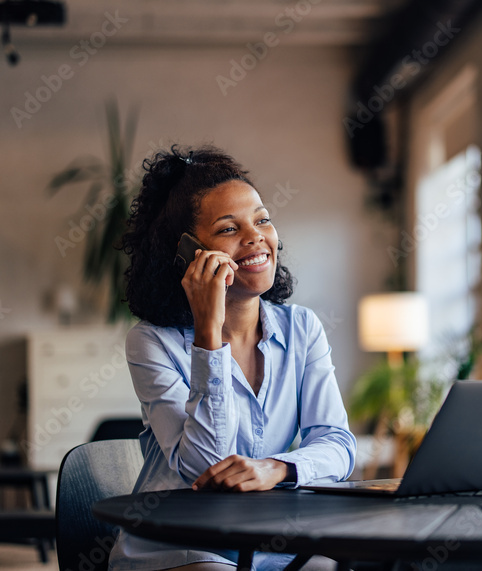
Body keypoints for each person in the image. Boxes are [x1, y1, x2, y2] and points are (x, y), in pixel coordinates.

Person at [108, 145, 356, 571]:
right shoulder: (152, 343)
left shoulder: (302, 328)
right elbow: (203, 466)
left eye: (262, 219)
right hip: (178, 548)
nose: (256, 236)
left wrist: (277, 467)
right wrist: (208, 335)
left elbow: (338, 444)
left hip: (269, 544)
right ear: (187, 253)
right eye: (229, 229)